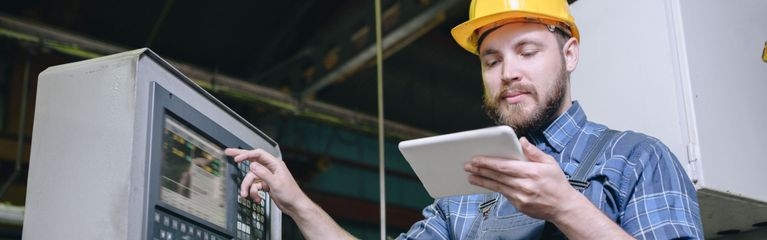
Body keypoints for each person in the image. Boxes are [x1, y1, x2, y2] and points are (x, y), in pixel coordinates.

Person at [225, 0, 704, 239]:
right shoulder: (466, 198)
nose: (509, 73)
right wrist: (296, 202)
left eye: (528, 51)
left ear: (570, 53)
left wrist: (564, 206)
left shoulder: (637, 159)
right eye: (492, 60)